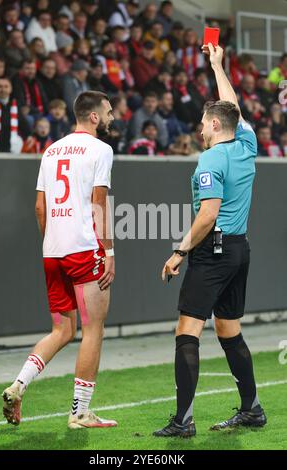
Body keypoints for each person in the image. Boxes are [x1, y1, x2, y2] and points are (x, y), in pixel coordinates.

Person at [154, 44, 267, 438]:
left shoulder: (210, 160)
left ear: (215, 126)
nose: (200, 128)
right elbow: (231, 105)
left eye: (203, 123)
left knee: (186, 331)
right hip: (239, 250)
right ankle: (252, 409)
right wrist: (218, 65)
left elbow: (208, 214)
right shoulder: (246, 145)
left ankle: (183, 421)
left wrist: (179, 251)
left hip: (213, 251)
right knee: (228, 331)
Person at [2, 91, 117, 430]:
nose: (111, 117)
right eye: (108, 112)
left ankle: (18, 385)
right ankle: (80, 411)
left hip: (52, 250)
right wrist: (108, 252)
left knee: (62, 329)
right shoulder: (101, 149)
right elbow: (99, 203)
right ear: (93, 117)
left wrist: (52, 242)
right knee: (92, 328)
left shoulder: (51, 150)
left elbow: (40, 207)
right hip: (85, 249)